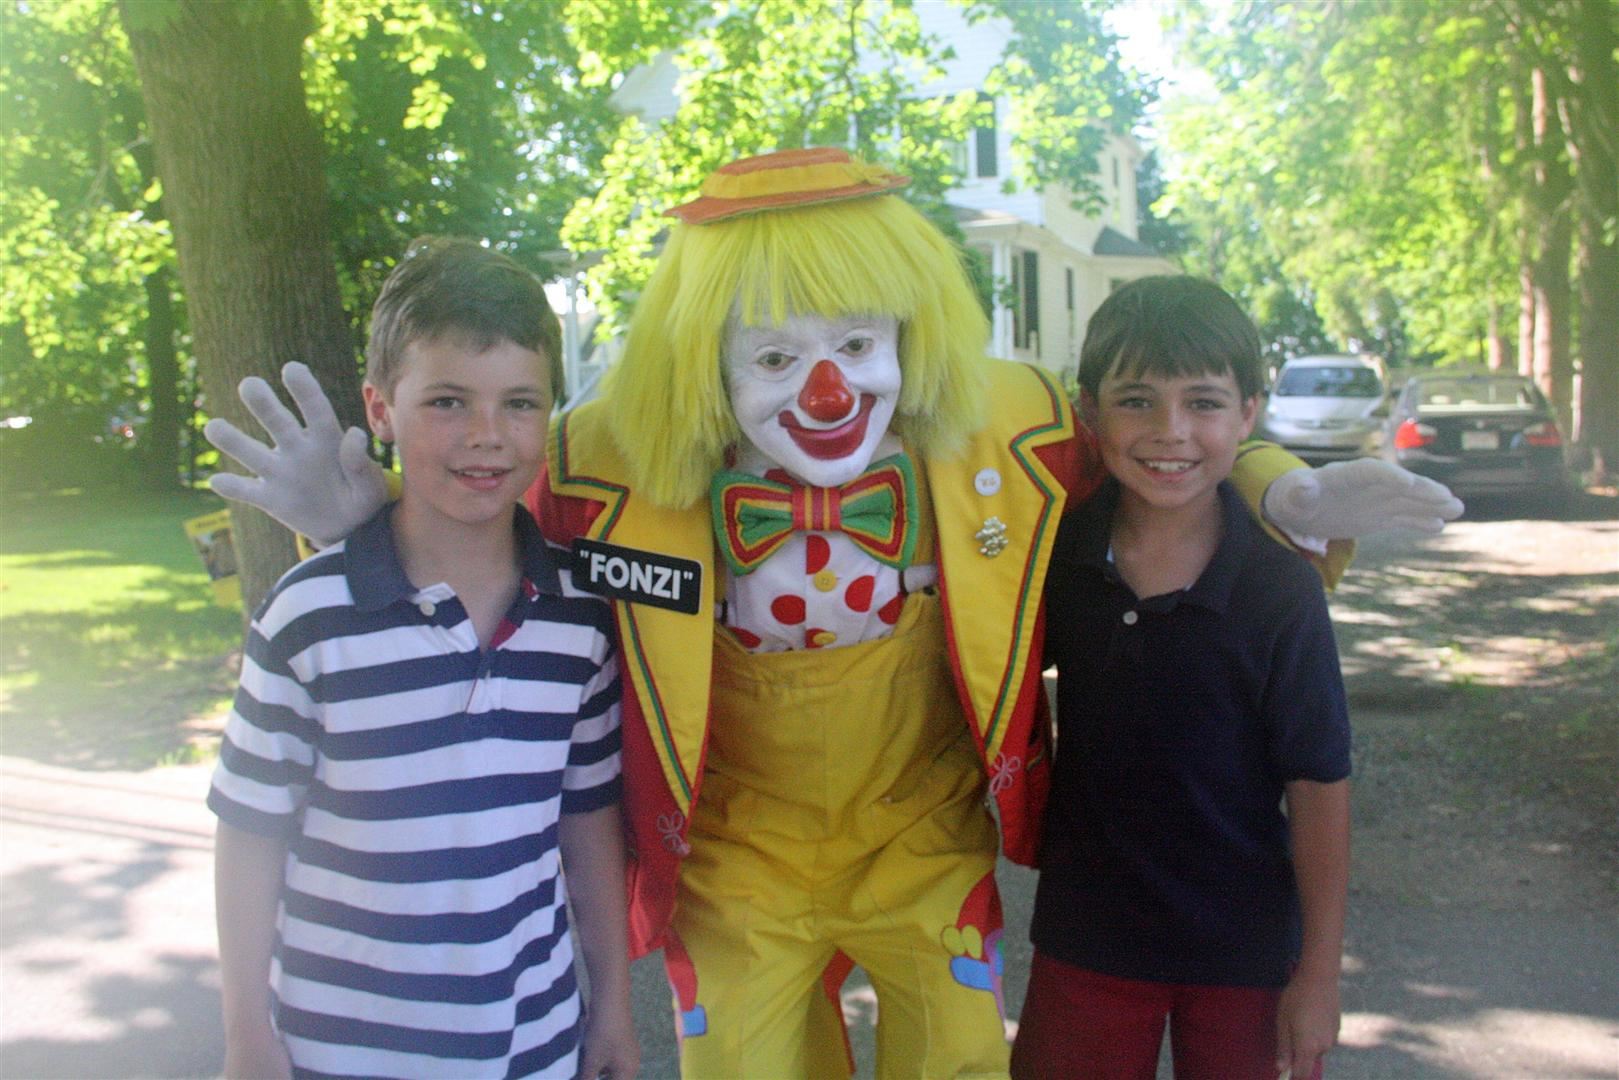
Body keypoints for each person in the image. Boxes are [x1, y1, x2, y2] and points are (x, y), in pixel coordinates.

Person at [203, 150, 1459, 1079]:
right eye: (771, 358)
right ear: (706, 362)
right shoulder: (612, 457)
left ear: (911, 336)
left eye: (858, 345)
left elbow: (1157, 430)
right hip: (736, 860)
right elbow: (468, 492)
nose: (822, 389)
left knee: (958, 1058)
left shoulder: (999, 425)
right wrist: (360, 512)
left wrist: (1275, 477)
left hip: (922, 836)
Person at [207, 237, 638, 1080]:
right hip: (337, 1050)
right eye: (446, 401)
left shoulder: (580, 622)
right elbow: (249, 835)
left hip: (532, 1042)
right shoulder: (308, 616)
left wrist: (613, 1004)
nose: (487, 437)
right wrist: (245, 1033)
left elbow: (587, 823)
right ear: (378, 409)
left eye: (519, 403)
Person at [1011, 276, 1352, 1080]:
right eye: (1136, 401)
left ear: (1248, 414)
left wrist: (1319, 975)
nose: (1170, 432)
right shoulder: (1051, 556)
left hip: (1243, 947)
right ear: (1089, 414)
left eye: (1202, 402)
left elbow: (1318, 786)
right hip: (1086, 935)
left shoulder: (1280, 586)